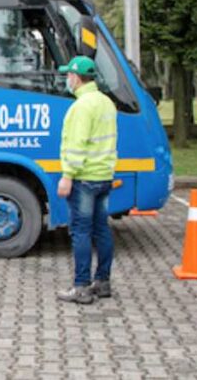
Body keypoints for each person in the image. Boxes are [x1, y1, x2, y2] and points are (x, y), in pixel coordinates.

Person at [55, 56, 118, 305]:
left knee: (80, 231)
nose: (67, 79)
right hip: (104, 176)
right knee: (101, 229)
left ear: (76, 77)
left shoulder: (81, 107)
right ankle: (103, 282)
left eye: (68, 75)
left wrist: (67, 176)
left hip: (84, 178)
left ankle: (81, 287)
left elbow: (77, 145)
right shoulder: (106, 102)